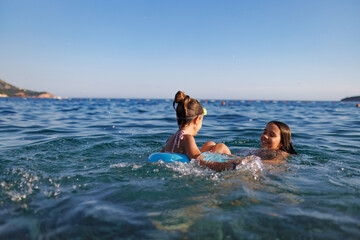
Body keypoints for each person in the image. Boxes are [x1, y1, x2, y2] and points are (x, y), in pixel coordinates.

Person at [160, 91, 230, 160]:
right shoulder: (187, 138)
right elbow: (197, 159)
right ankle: (235, 165)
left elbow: (161, 154)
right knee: (221, 147)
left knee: (209, 144)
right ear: (197, 119)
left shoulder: (172, 138)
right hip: (195, 168)